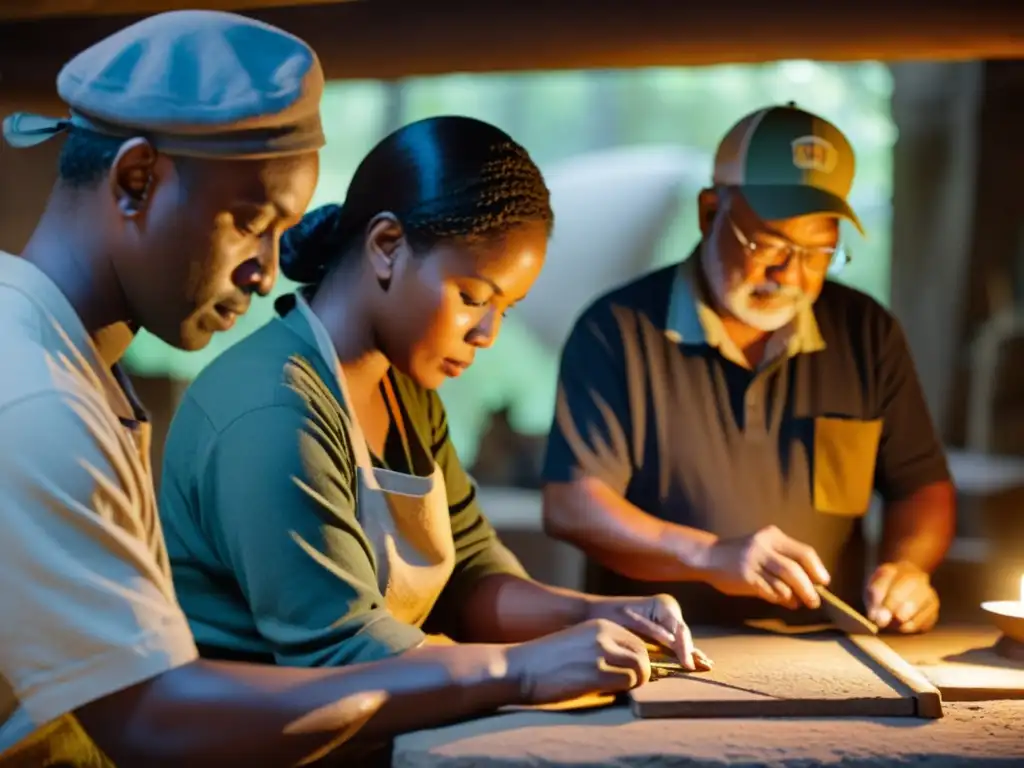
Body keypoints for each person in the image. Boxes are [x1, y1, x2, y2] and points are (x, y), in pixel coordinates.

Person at [0, 14, 651, 768]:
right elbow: (150, 715)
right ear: (137, 180)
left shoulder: (62, 357)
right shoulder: (43, 396)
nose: (266, 271)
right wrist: (516, 667)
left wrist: (588, 618)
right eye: (247, 223)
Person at [157, 115, 711, 690]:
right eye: (473, 297)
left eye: (507, 309)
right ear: (387, 246)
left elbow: (469, 574)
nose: (487, 333)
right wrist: (525, 667)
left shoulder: (406, 394)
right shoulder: (273, 411)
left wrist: (593, 614)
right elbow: (341, 653)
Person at [542, 103, 956, 634]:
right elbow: (572, 505)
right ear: (710, 212)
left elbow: (922, 488)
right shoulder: (617, 331)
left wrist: (908, 568)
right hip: (654, 648)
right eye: (767, 244)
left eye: (818, 251)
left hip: (829, 652)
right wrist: (711, 555)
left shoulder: (865, 333)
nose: (789, 272)